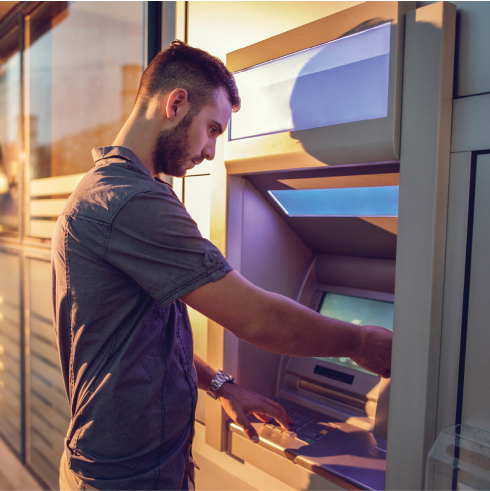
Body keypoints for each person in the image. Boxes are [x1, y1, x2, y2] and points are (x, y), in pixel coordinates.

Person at [52, 40, 392, 491]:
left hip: (125, 471)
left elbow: (142, 338)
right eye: (212, 128)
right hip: (124, 480)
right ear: (175, 103)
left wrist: (222, 386)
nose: (211, 151)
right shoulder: (131, 201)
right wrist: (360, 340)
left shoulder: (110, 191)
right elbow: (258, 318)